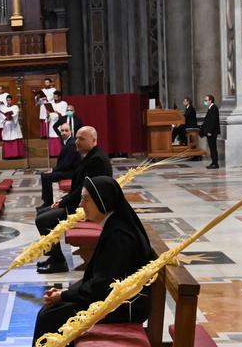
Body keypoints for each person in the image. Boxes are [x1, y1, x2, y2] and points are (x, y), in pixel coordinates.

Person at [32, 176, 153, 342]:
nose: (81, 205)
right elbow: (99, 278)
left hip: (125, 306)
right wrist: (64, 294)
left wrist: (64, 295)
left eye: (85, 200)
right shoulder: (114, 225)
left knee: (51, 317)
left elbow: (102, 285)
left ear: (102, 200)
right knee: (51, 312)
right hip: (114, 298)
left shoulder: (119, 236)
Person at [35, 126, 112, 273]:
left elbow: (85, 191)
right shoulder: (90, 156)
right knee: (42, 214)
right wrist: (63, 201)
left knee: (43, 220)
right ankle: (54, 257)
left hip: (90, 209)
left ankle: (58, 262)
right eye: (76, 138)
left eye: (81, 139)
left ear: (94, 140)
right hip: (82, 204)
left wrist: (63, 202)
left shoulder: (96, 160)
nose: (77, 142)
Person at [37, 123, 81, 209]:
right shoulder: (66, 141)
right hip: (67, 170)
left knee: (46, 176)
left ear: (71, 132)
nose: (64, 133)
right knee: (44, 175)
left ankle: (47, 203)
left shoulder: (71, 143)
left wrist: (53, 170)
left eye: (66, 131)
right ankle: (47, 201)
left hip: (71, 172)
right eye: (62, 131)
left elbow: (67, 164)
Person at [201, 95, 220, 169]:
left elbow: (212, 121)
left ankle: (215, 163)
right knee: (211, 148)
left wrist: (209, 131)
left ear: (210, 100)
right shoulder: (211, 108)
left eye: (206, 100)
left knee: (213, 148)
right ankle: (213, 162)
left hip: (212, 132)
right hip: (210, 132)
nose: (205, 102)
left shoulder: (214, 108)